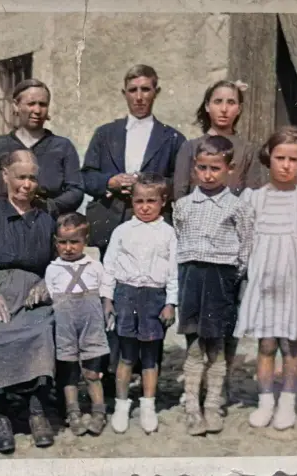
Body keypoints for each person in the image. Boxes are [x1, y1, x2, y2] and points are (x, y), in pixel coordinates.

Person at [80, 64, 186, 394]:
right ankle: (111, 370)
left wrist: (150, 186)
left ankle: (144, 367)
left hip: (153, 228)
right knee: (113, 295)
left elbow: (180, 181)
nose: (139, 97)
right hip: (110, 222)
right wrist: (110, 181)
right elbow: (86, 177)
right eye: (133, 90)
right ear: (124, 93)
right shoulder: (105, 133)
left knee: (150, 291)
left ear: (156, 92)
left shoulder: (171, 137)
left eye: (146, 89)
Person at [172, 79, 269, 416]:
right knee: (196, 323)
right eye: (217, 101)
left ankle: (220, 383)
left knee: (227, 320)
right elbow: (180, 193)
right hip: (199, 239)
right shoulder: (190, 147)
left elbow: (253, 198)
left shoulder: (248, 150)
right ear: (207, 105)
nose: (224, 108)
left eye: (231, 102)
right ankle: (194, 387)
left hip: (231, 244)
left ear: (239, 108)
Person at [0, 149, 58, 454]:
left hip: (32, 293)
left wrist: (46, 281)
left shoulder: (46, 217)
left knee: (43, 327)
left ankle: (36, 408)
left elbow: (59, 260)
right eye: (21, 177)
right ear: (5, 176)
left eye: (32, 178)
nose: (27, 185)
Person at [234, 126, 297, 431]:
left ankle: (287, 401)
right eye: (280, 157)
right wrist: (245, 279)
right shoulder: (255, 199)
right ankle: (265, 401)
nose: (285, 165)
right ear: (268, 158)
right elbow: (246, 243)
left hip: (293, 281)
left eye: (293, 159)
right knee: (266, 344)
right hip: (264, 281)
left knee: (290, 345)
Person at [172, 135, 254, 436]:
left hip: (221, 279)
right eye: (202, 168)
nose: (208, 175)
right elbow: (179, 241)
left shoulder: (238, 207)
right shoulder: (182, 206)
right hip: (192, 278)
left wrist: (234, 277)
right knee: (194, 346)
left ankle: (213, 404)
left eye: (215, 169)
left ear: (228, 169)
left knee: (217, 346)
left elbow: (246, 245)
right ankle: (192, 405)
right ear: (194, 168)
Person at [100, 173, 177, 435]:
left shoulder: (168, 233)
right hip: (126, 295)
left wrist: (170, 303)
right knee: (126, 355)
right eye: (140, 201)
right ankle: (122, 405)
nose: (145, 206)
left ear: (162, 202)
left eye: (151, 201)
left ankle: (148, 405)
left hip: (154, 297)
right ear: (131, 201)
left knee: (149, 357)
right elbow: (108, 267)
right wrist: (107, 298)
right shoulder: (122, 231)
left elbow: (174, 272)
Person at [0, 79, 84, 217]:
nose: (37, 110)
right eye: (31, 103)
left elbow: (76, 190)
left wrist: (49, 207)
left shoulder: (62, 146)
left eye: (43, 104)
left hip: (47, 221)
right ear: (16, 105)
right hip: (5, 222)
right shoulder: (1, 145)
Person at [44, 212, 109, 437]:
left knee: (92, 372)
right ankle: (73, 412)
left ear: (85, 241)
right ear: (56, 243)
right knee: (69, 372)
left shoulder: (94, 265)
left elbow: (105, 289)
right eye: (63, 242)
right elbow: (53, 297)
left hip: (90, 324)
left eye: (74, 242)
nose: (68, 248)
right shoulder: (53, 269)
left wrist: (107, 307)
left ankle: (99, 411)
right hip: (66, 326)